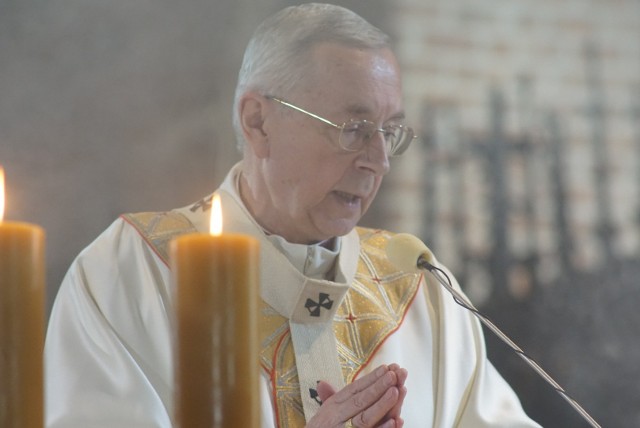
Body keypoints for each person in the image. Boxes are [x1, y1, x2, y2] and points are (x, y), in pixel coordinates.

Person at [45, 3, 541, 427]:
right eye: (353, 127)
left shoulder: (420, 292)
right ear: (257, 121)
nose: (378, 160)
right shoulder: (130, 271)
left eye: (390, 132)